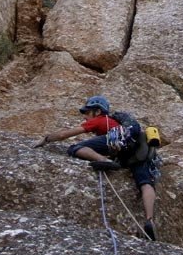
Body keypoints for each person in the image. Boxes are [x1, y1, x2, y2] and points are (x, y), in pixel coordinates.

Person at [37, 95, 157, 240]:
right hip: (135, 150)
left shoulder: (101, 120)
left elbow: (64, 135)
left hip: (116, 140)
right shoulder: (121, 127)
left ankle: (103, 160)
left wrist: (46, 138)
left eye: (87, 112)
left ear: (98, 111)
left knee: (75, 148)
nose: (85, 116)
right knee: (145, 183)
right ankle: (150, 220)